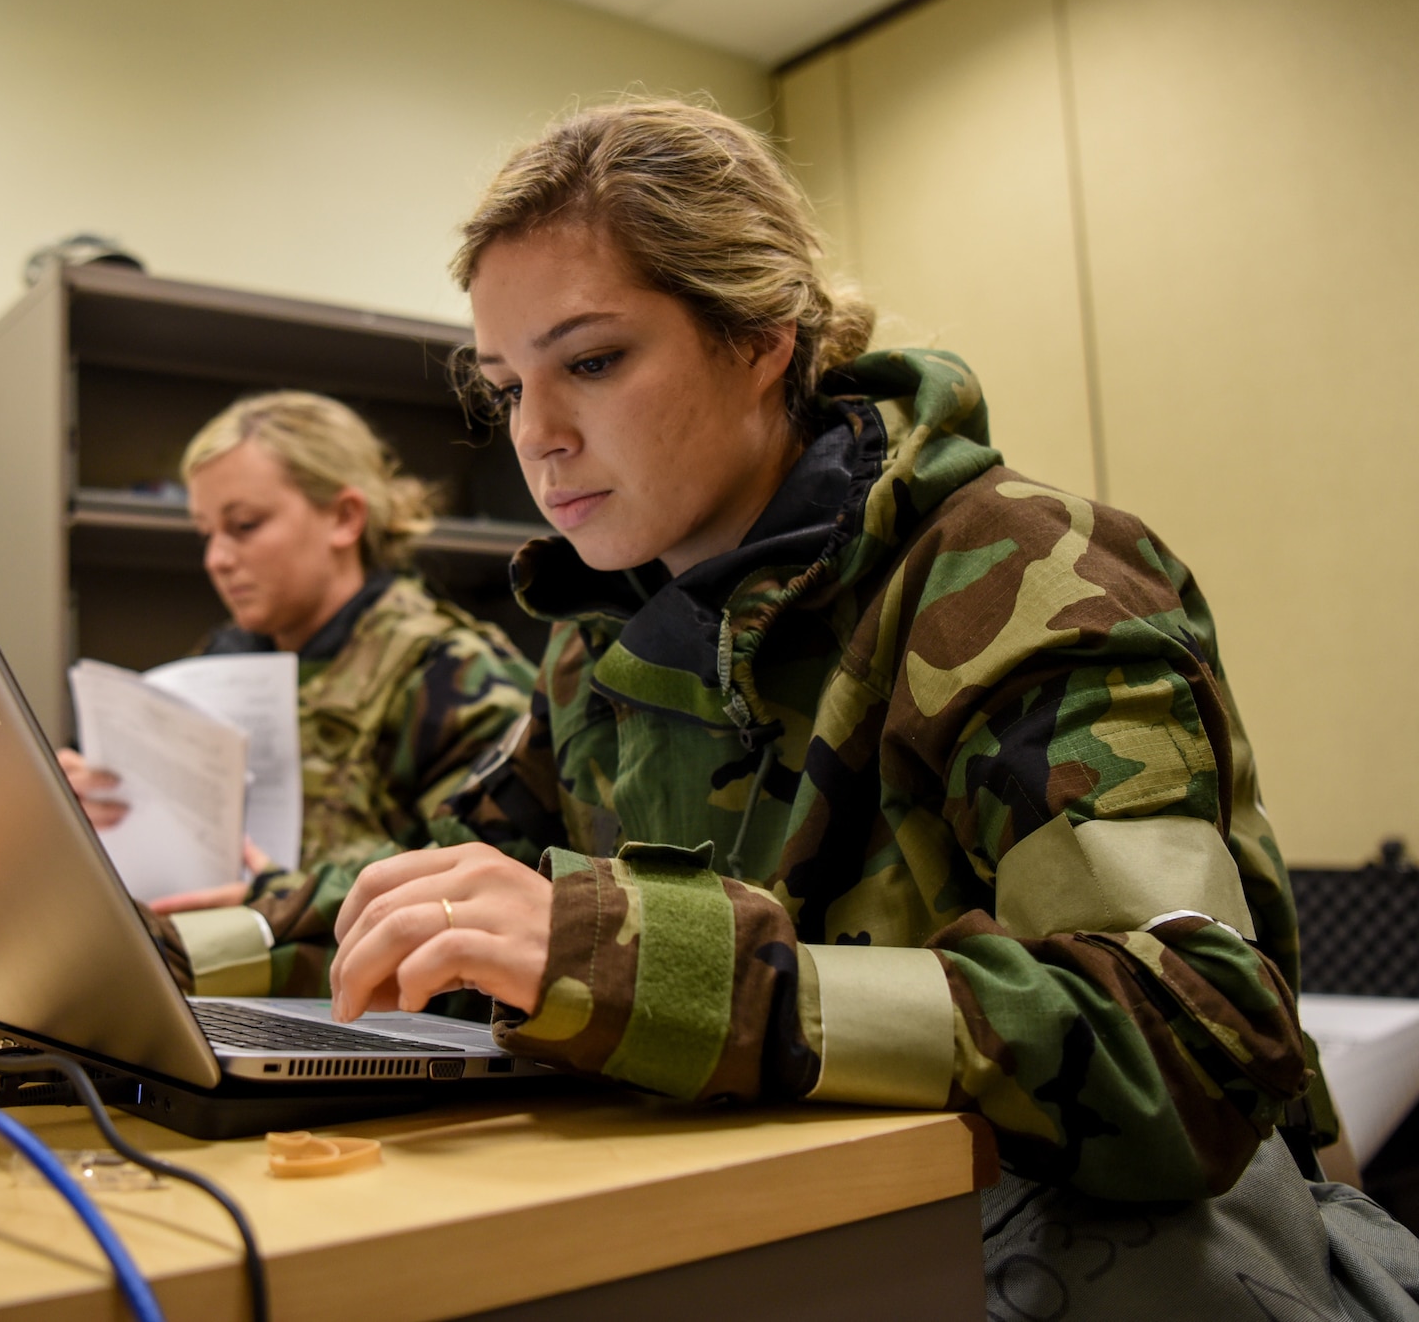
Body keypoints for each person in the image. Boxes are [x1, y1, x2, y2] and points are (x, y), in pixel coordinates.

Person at [325, 98, 1419, 1317]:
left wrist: (654, 970)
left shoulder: (1020, 569)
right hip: (817, 1243)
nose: (537, 435)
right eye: (502, 383)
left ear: (761, 340)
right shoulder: (607, 640)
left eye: (589, 361)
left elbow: (1188, 1046)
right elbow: (462, 891)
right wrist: (172, 949)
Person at [58, 390, 535, 1001]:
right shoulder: (219, 666)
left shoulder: (452, 673)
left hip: (360, 1013)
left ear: (343, 518)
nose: (216, 559)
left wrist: (272, 907)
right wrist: (86, 807)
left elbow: (475, 911)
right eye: (206, 533)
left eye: (245, 526)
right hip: (210, 985)